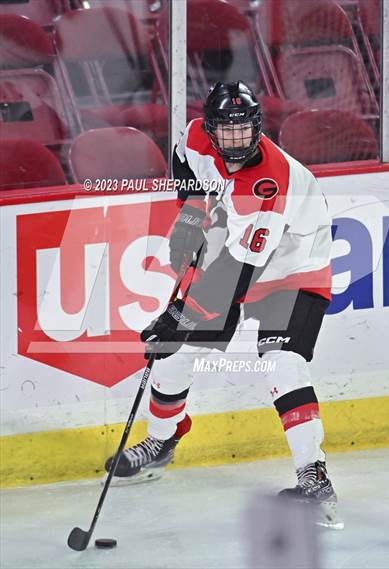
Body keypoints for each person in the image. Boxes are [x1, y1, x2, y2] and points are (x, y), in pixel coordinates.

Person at [105, 81, 339, 526]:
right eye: (225, 132)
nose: (235, 142)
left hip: (294, 265)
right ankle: (163, 438)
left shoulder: (272, 184)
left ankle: (314, 475)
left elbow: (237, 275)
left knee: (281, 363)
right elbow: (183, 162)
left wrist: (180, 315)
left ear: (258, 127)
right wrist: (192, 212)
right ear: (211, 130)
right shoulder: (195, 136)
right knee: (173, 354)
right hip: (238, 251)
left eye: (243, 131)